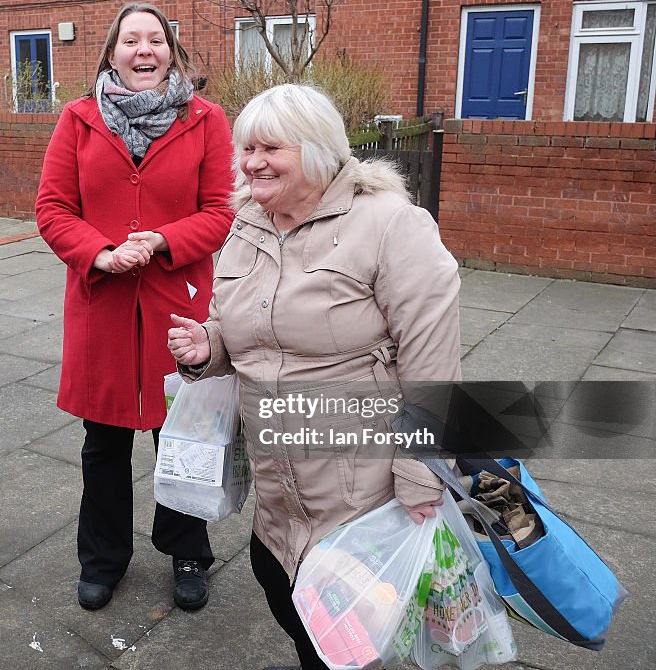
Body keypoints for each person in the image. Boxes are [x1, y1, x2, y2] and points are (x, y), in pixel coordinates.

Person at [167, 84, 461, 670]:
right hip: (278, 486)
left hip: (362, 484)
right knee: (286, 597)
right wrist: (208, 347)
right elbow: (235, 323)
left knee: (357, 633)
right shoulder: (248, 223)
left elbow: (434, 360)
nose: (251, 162)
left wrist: (422, 471)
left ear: (318, 149)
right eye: (246, 149)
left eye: (269, 147)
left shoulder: (390, 225)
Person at [35, 2, 235, 612]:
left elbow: (222, 211)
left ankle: (188, 554)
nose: (143, 50)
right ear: (111, 52)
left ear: (171, 51)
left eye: (155, 40)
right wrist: (100, 254)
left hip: (179, 306)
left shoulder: (206, 120)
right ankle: (102, 559)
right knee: (103, 447)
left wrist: (163, 241)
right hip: (104, 309)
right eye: (131, 41)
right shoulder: (77, 119)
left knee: (181, 436)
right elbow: (52, 210)